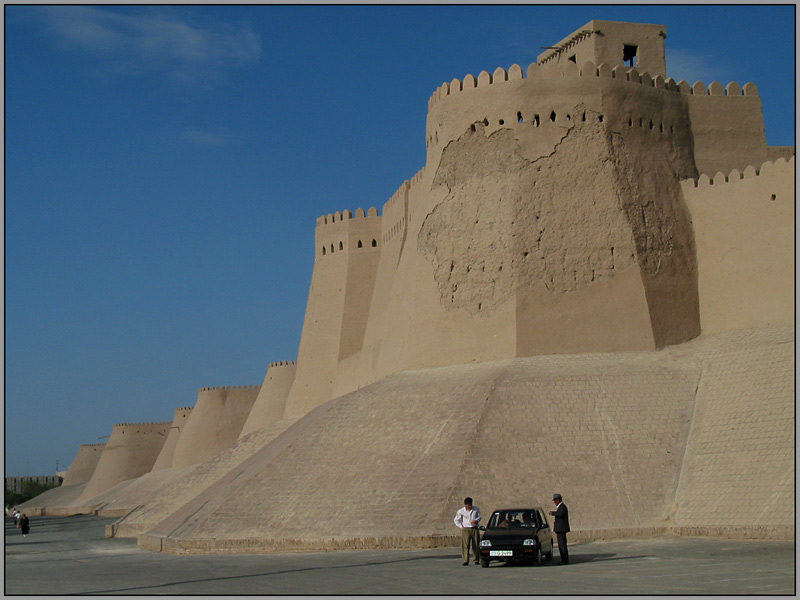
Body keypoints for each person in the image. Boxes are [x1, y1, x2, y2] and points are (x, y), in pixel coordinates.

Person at [453, 496, 481, 566]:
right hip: (466, 529)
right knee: (465, 545)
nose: (470, 507)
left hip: (474, 528)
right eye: (469, 505)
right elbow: (456, 520)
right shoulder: (461, 511)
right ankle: (465, 560)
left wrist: (476, 520)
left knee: (476, 544)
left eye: (471, 505)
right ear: (465, 505)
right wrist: (461, 526)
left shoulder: (476, 509)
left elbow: (479, 516)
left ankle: (476, 559)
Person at [548, 493, 570, 564]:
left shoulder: (562, 507)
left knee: (562, 545)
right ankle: (563, 559)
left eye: (555, 500)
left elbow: (560, 514)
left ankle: (564, 560)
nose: (554, 502)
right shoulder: (560, 507)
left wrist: (552, 513)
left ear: (558, 500)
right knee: (561, 545)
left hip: (561, 529)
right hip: (560, 529)